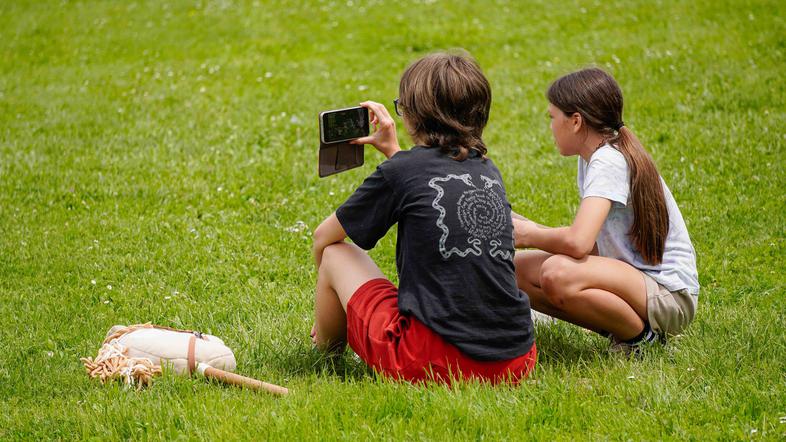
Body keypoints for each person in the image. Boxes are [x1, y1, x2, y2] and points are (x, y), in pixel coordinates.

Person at [311, 52, 536, 384]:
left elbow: (323, 237)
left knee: (334, 253)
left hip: (431, 360)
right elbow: (429, 178)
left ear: (412, 115)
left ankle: (326, 353)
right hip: (516, 359)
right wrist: (395, 153)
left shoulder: (400, 171)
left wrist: (332, 312)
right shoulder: (488, 170)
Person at [513, 67, 699, 353]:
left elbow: (579, 242)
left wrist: (528, 234)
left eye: (552, 117)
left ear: (576, 121)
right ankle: (627, 330)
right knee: (515, 271)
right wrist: (528, 228)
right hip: (636, 281)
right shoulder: (593, 158)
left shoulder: (608, 162)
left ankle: (639, 340)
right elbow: (596, 246)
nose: (550, 126)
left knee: (557, 274)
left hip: (669, 297)